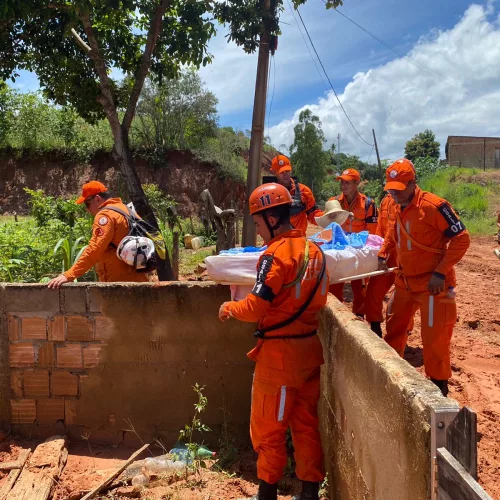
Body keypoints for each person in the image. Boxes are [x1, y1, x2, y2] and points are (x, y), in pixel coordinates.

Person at [218, 183, 328, 500]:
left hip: (280, 360)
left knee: (269, 428)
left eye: (257, 223)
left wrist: (229, 308)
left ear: (270, 218)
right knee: (305, 425)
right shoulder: (315, 251)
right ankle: (309, 492)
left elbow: (255, 307)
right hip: (309, 352)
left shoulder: (274, 255)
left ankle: (266, 492)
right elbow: (320, 299)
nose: (258, 231)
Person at [377, 160, 470, 396]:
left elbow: (462, 238)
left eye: (399, 188)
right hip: (405, 282)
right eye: (391, 189)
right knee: (394, 329)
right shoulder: (398, 206)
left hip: (433, 286)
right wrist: (384, 250)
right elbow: (393, 231)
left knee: (435, 339)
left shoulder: (434, 206)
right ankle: (390, 374)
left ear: (412, 183)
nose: (394, 193)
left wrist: (440, 272)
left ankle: (439, 388)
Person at [47, 181, 149, 288]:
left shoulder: (105, 215)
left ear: (97, 199)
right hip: (138, 279)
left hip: (119, 284)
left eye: (87, 204)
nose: (87, 209)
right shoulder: (125, 209)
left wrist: (68, 275)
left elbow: (94, 249)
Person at [364, 159, 414, 337]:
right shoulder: (385, 202)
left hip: (403, 257)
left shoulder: (409, 204)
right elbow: (380, 227)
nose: (394, 192)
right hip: (386, 255)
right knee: (373, 291)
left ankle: (404, 333)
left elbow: (396, 230)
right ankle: (375, 328)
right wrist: (378, 250)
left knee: (404, 300)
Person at [327, 168, 378, 317]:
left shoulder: (368, 204)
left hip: (359, 252)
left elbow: (372, 234)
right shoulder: (334, 203)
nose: (343, 185)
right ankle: (336, 318)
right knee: (334, 288)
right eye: (342, 182)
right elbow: (328, 230)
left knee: (360, 290)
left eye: (347, 182)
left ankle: (359, 318)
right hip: (339, 251)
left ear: (357, 183)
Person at [270, 154, 322, 236]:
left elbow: (313, 213)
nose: (285, 174)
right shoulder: (269, 193)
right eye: (281, 172)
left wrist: (326, 218)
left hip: (298, 239)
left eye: (287, 171)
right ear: (274, 172)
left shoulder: (304, 191)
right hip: (276, 239)